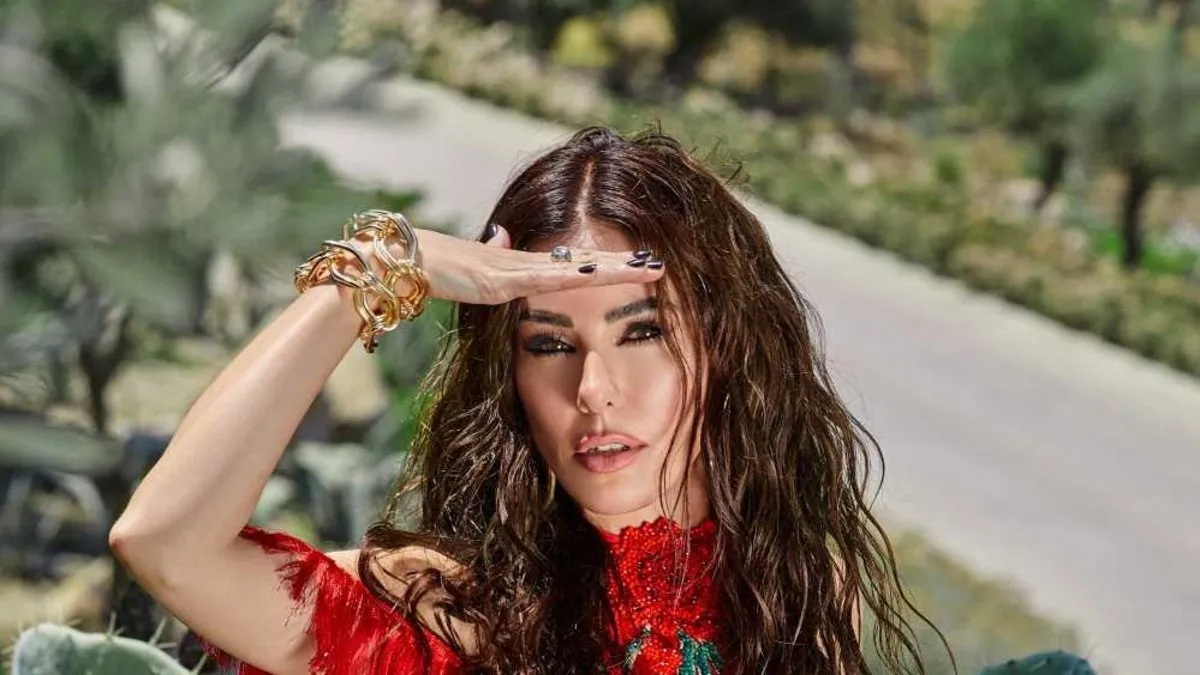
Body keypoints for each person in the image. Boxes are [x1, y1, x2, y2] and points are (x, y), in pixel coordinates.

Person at [110, 126, 940, 674]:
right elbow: (166, 543)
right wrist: (379, 270)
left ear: (725, 347)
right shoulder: (445, 611)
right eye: (548, 343)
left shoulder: (799, 588)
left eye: (642, 332)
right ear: (512, 377)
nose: (593, 389)